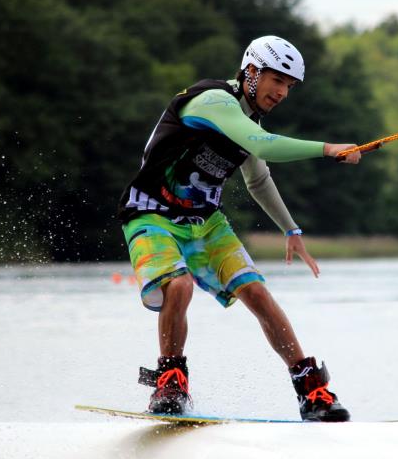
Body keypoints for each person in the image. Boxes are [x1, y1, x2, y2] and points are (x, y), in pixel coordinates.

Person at [117, 35, 362, 422]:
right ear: (251, 71)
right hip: (152, 213)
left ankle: (310, 390)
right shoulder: (213, 101)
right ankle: (170, 383)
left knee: (257, 292)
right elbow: (261, 146)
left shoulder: (250, 121)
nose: (282, 92)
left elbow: (258, 179)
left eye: (289, 86)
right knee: (177, 286)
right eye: (276, 80)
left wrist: (291, 230)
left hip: (205, 221)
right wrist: (327, 148)